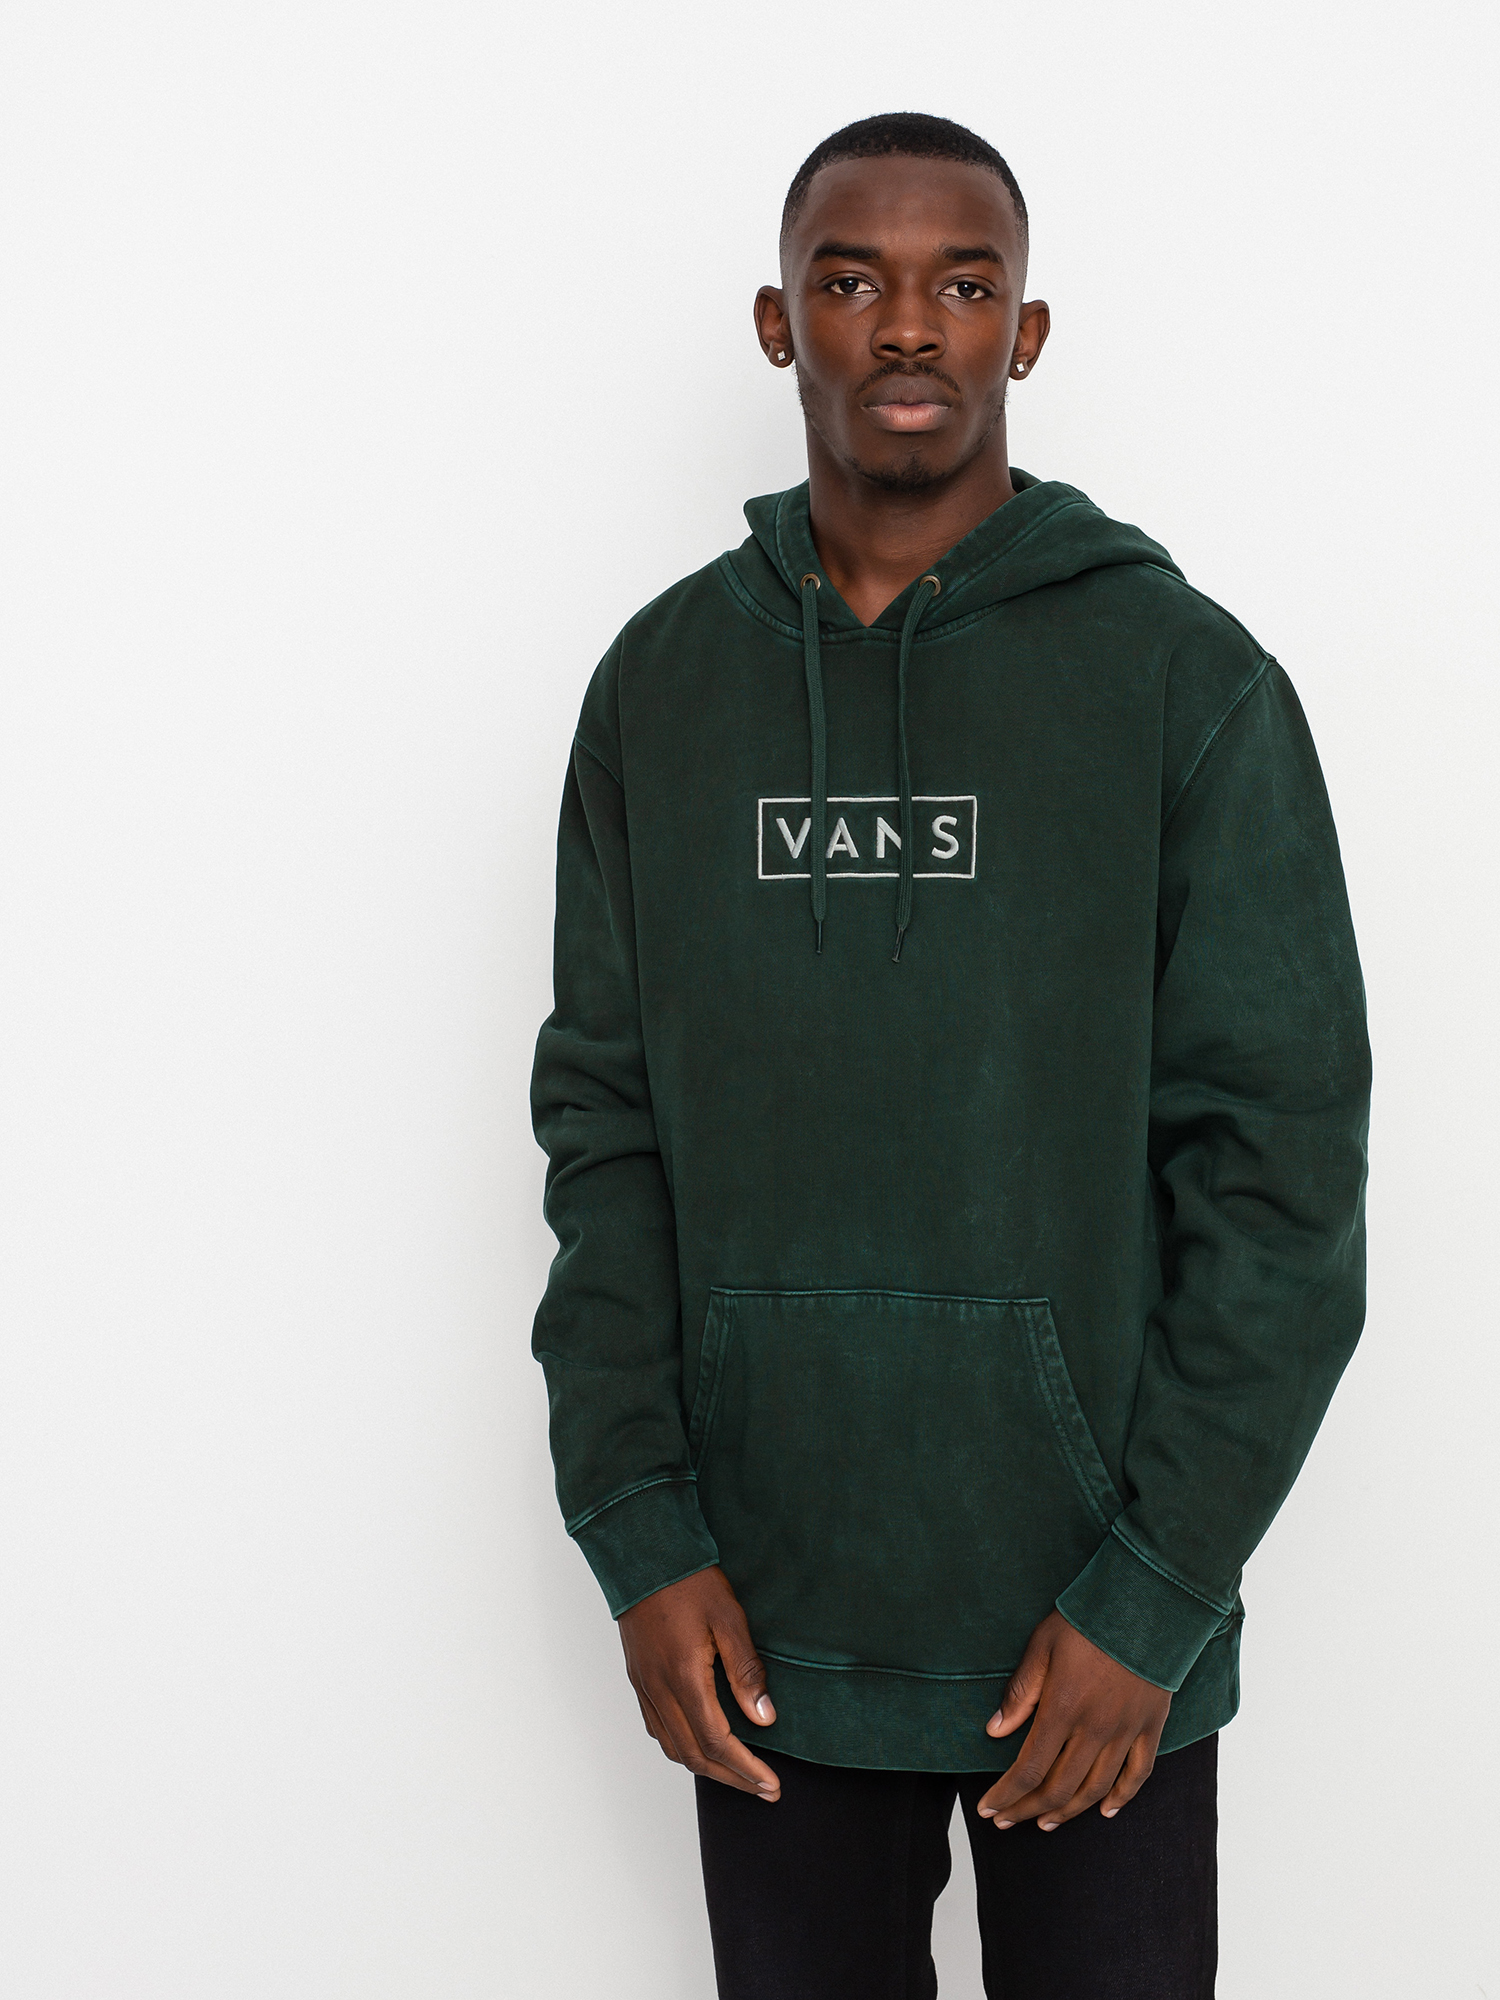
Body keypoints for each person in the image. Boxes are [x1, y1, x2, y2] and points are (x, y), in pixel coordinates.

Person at [530, 111, 1370, 2000]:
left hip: (1092, 1643)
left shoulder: (1184, 680)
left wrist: (1157, 1595)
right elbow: (605, 1137)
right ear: (779, 323)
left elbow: (1283, 1180)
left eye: (963, 284)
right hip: (763, 1628)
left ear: (1027, 332)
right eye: (853, 281)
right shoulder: (661, 690)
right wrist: (641, 1533)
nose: (909, 324)